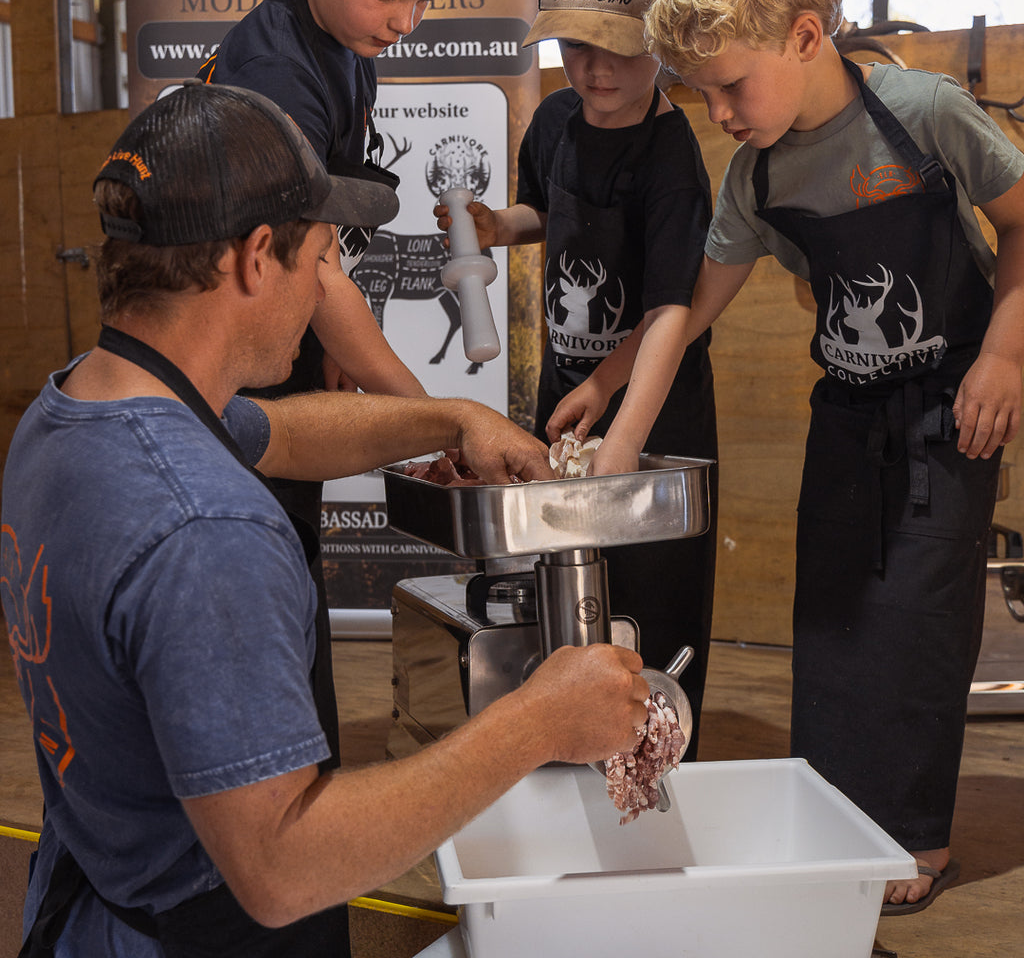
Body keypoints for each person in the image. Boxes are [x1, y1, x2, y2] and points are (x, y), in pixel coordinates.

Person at [1, 82, 651, 958]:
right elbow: (284, 869)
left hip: (92, 891)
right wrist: (540, 721)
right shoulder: (208, 532)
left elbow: (278, 432)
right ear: (253, 258)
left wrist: (450, 417)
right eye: (321, 258)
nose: (322, 288)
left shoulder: (78, 407)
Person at [643, 0, 1024, 914]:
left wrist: (1003, 355)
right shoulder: (756, 177)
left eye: (730, 85)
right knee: (833, 620)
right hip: (847, 416)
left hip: (952, 407)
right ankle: (833, 819)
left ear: (805, 35)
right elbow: (688, 313)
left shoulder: (926, 113)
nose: (719, 114)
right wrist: (613, 412)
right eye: (701, 93)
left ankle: (915, 836)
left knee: (917, 620)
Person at [435, 0, 718, 741]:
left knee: (650, 592)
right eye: (575, 46)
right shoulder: (557, 119)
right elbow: (542, 210)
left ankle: (652, 748)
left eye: (618, 47)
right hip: (567, 394)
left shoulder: (672, 162)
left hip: (652, 407)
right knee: (563, 583)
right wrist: (499, 226)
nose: (594, 69)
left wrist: (620, 432)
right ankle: (562, 737)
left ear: (662, 39)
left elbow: (672, 311)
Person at [197, 0, 465, 532]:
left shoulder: (346, 44)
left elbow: (326, 228)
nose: (406, 22)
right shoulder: (277, 73)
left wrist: (335, 341)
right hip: (232, 362)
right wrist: (439, 422)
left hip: (286, 332)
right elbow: (311, 271)